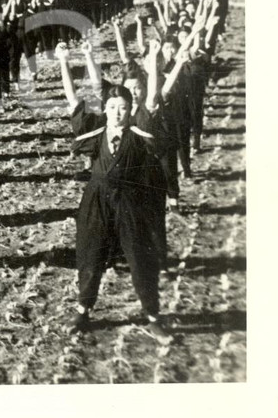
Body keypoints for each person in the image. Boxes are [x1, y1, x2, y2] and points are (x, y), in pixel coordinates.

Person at [56, 42, 173, 344]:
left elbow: (151, 99)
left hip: (131, 204)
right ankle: (83, 311)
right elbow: (73, 100)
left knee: (140, 259)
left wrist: (154, 62)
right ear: (104, 109)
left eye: (123, 108)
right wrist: (63, 62)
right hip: (96, 202)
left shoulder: (139, 133)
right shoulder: (95, 132)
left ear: (130, 109)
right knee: (90, 255)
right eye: (111, 108)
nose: (117, 113)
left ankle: (153, 317)